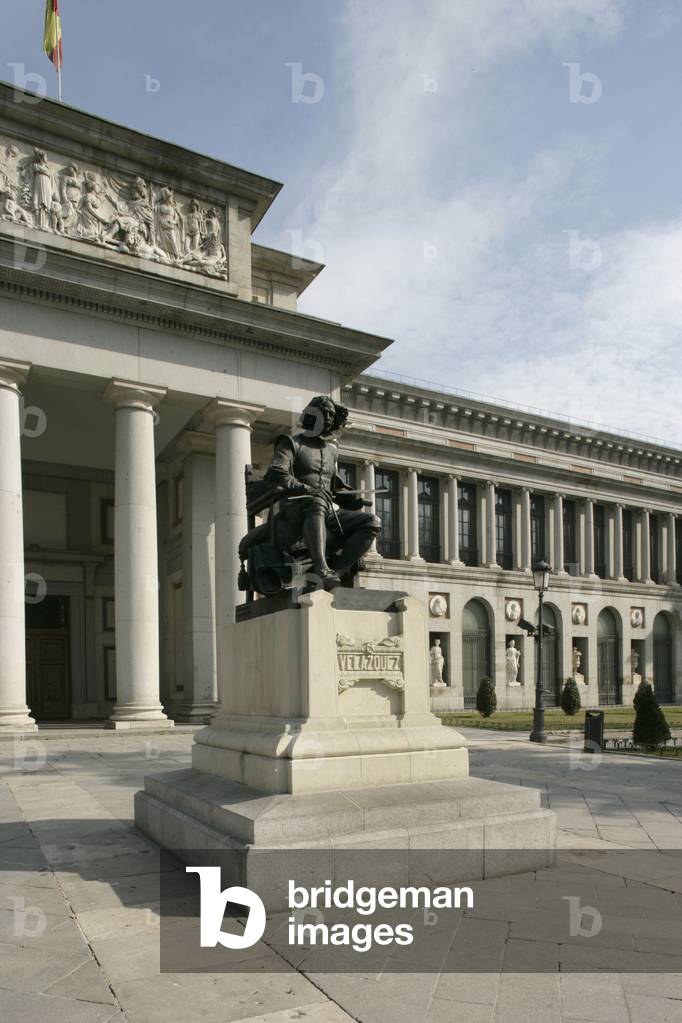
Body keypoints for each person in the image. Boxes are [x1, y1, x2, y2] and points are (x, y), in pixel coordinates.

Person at [239, 396, 380, 590]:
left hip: (327, 511)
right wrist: (307, 489)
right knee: (317, 502)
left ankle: (334, 572)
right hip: (295, 509)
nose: (329, 418)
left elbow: (335, 487)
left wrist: (353, 500)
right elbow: (279, 473)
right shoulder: (290, 443)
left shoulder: (331, 451)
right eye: (326, 414)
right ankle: (321, 567)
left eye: (332, 415)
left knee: (372, 522)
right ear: (313, 415)